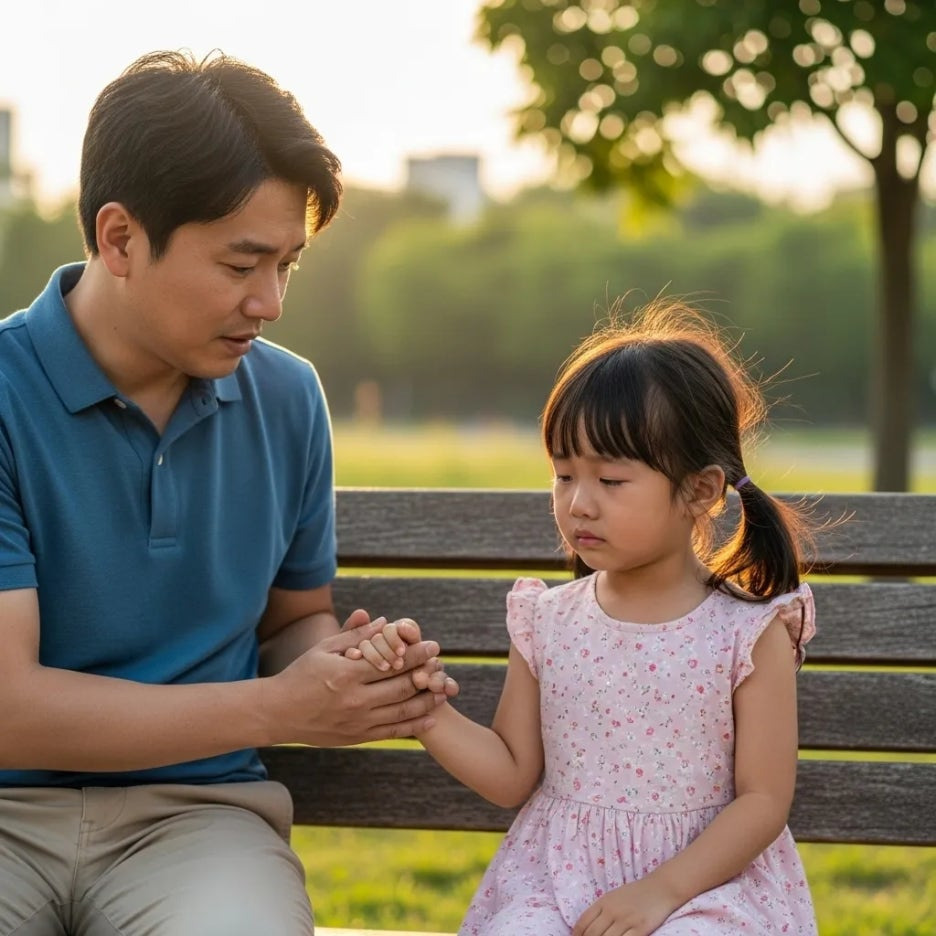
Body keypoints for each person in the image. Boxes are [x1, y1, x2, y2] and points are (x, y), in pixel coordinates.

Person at [0, 50, 455, 936]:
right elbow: (8, 712)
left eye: (289, 264)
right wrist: (279, 708)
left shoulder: (288, 397)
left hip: (198, 823)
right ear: (120, 238)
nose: (272, 302)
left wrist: (344, 669)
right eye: (243, 264)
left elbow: (292, 621)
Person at [351, 299, 819, 935]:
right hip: (561, 877)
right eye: (564, 475)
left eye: (611, 481)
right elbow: (513, 774)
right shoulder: (548, 619)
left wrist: (660, 892)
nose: (579, 504)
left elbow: (764, 801)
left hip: (704, 884)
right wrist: (424, 710)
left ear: (701, 490)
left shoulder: (747, 631)